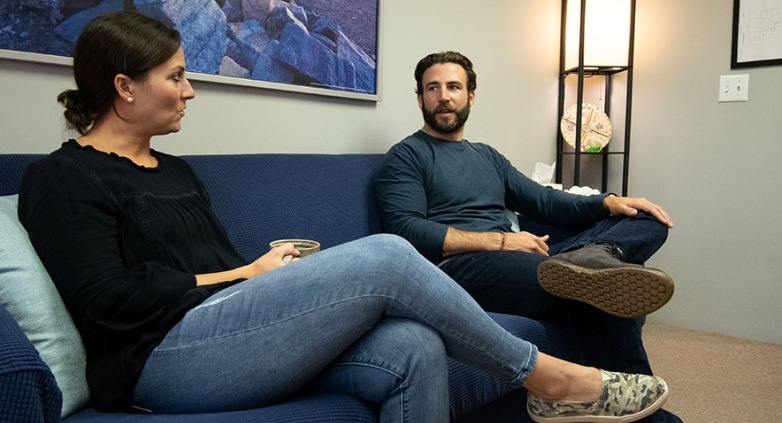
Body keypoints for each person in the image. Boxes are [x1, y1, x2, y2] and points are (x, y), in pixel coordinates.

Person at [17, 13, 667, 423]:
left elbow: (220, 271)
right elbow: (107, 301)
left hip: (225, 329)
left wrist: (268, 276)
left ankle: (595, 263)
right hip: (156, 361)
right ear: (124, 87)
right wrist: (246, 274)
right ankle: (548, 375)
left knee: (412, 346)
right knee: (385, 253)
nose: (190, 89)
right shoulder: (61, 177)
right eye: (177, 76)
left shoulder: (175, 171)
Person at [373, 51, 681, 422]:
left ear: (471, 95)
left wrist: (608, 201)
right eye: (433, 88)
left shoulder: (487, 157)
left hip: (519, 259)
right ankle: (649, 416)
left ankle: (594, 256)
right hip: (460, 269)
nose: (444, 96)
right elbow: (407, 230)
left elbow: (544, 201)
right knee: (604, 295)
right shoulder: (406, 156)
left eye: (453, 87)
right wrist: (503, 241)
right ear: (420, 98)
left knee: (645, 218)